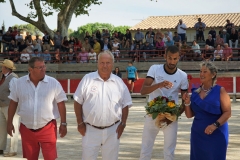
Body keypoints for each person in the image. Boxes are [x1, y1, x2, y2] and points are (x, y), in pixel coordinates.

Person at [73, 50, 132, 160]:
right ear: (98, 63)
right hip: (90, 130)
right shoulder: (87, 79)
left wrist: (123, 124)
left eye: (108, 63)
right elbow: (77, 101)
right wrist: (80, 122)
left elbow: (126, 104)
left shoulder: (119, 82)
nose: (105, 66)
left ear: (113, 64)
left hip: (112, 130)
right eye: (102, 63)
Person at [7, 57, 68, 160]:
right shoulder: (19, 83)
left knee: (50, 158)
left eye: (44, 66)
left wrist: (63, 123)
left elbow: (61, 104)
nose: (43, 69)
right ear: (30, 69)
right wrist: (9, 123)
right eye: (40, 67)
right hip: (27, 128)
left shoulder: (53, 83)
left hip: (48, 127)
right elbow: (13, 103)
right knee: (31, 158)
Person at [139, 45, 188, 160]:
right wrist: (159, 85)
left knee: (169, 151)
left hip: (170, 117)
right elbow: (143, 91)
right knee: (146, 148)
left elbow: (184, 102)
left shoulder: (183, 76)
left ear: (179, 58)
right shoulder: (155, 69)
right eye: (170, 58)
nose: (172, 61)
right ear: (165, 56)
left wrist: (173, 117)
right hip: (152, 114)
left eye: (175, 58)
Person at [182, 61, 231, 160]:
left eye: (205, 71)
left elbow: (227, 112)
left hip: (217, 134)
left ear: (213, 74)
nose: (201, 74)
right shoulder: (195, 93)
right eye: (200, 71)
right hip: (198, 134)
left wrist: (214, 125)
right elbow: (189, 115)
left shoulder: (220, 90)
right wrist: (186, 103)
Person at [0, 59, 19, 157]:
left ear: (6, 68)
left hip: (10, 106)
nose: (1, 68)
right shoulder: (3, 77)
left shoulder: (13, 79)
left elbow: (15, 95)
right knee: (1, 127)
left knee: (13, 127)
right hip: (2, 106)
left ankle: (13, 149)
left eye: (2, 66)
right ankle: (1, 147)